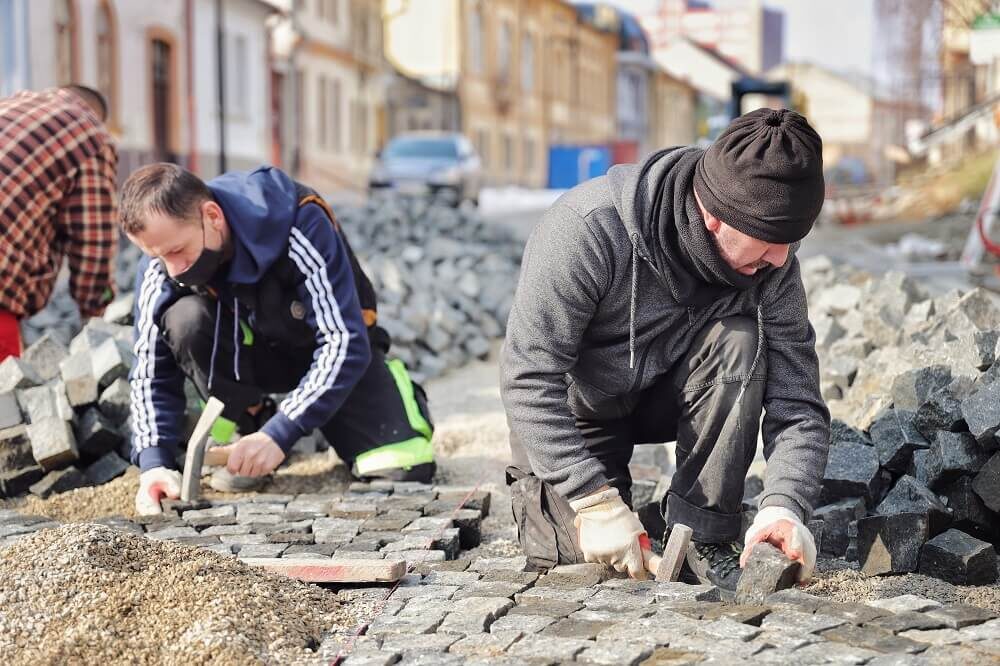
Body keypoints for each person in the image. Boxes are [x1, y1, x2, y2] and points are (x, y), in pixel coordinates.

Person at [500, 108, 829, 593]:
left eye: (792, 241)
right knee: (585, 560)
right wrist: (592, 499)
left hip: (669, 397)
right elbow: (528, 377)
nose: (781, 259)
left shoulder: (773, 264)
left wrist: (785, 506)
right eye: (769, 241)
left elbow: (797, 400)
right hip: (576, 409)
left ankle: (704, 529)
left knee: (740, 341)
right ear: (715, 217)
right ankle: (636, 512)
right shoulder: (587, 229)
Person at [119, 163, 435, 515]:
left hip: (330, 355)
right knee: (185, 320)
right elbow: (149, 369)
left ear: (212, 216)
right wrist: (154, 463)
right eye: (157, 256)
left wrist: (282, 432)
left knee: (401, 467)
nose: (172, 269)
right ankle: (249, 425)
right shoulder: (162, 261)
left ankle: (288, 428)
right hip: (253, 361)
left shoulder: (296, 219)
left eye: (177, 251)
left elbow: (343, 339)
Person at [0, 85, 118, 360]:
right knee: (4, 393)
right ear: (97, 115)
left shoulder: (12, 104)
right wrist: (96, 315)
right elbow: (93, 240)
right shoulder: (92, 138)